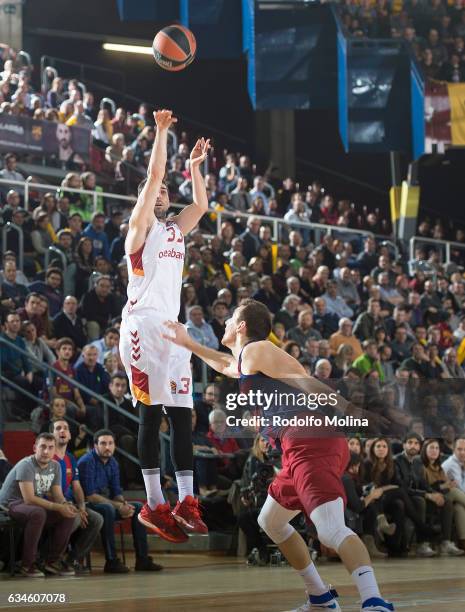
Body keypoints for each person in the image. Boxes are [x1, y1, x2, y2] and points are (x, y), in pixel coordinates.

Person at [164, 298, 395, 612]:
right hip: (298, 444)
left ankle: (373, 601)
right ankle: (320, 598)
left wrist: (353, 412)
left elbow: (308, 382)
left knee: (330, 529)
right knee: (270, 520)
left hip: (311, 439)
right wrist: (188, 343)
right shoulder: (248, 357)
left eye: (231, 317)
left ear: (242, 326)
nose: (227, 323)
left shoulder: (259, 349)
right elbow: (224, 364)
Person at [119, 109, 210, 544]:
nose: (163, 193)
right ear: (144, 199)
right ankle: (154, 503)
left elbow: (202, 205)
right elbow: (154, 174)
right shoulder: (140, 229)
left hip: (172, 331)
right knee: (150, 414)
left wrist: (194, 169)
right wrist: (160, 132)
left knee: (183, 416)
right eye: (156, 191)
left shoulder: (175, 230)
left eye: (165, 191)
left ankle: (186, 501)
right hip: (141, 328)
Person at [78, 430, 163, 573]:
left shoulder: (113, 462)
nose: (107, 447)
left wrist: (124, 505)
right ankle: (111, 561)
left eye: (110, 443)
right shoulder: (87, 461)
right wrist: (118, 506)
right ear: (95, 446)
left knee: (138, 507)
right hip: (86, 505)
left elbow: (116, 492)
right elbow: (90, 496)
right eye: (103, 443)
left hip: (107, 503)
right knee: (108, 509)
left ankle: (142, 559)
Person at [0, 433, 77, 577]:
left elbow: (58, 495)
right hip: (11, 504)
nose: (46, 451)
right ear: (35, 448)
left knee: (68, 514)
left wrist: (66, 505)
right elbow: (28, 499)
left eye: (50, 448)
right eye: (42, 447)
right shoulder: (26, 464)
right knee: (38, 513)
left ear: (55, 450)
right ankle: (27, 564)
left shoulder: (55, 466)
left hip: (31, 505)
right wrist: (57, 507)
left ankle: (52, 562)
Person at [51, 419, 104, 573]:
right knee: (73, 517)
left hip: (71, 504)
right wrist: (73, 509)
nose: (62, 431)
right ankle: (51, 557)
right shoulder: (48, 456)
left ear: (69, 435)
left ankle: (71, 559)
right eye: (58, 428)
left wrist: (82, 507)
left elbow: (77, 486)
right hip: (53, 503)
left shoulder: (70, 458)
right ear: (52, 434)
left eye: (65, 428)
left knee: (95, 519)